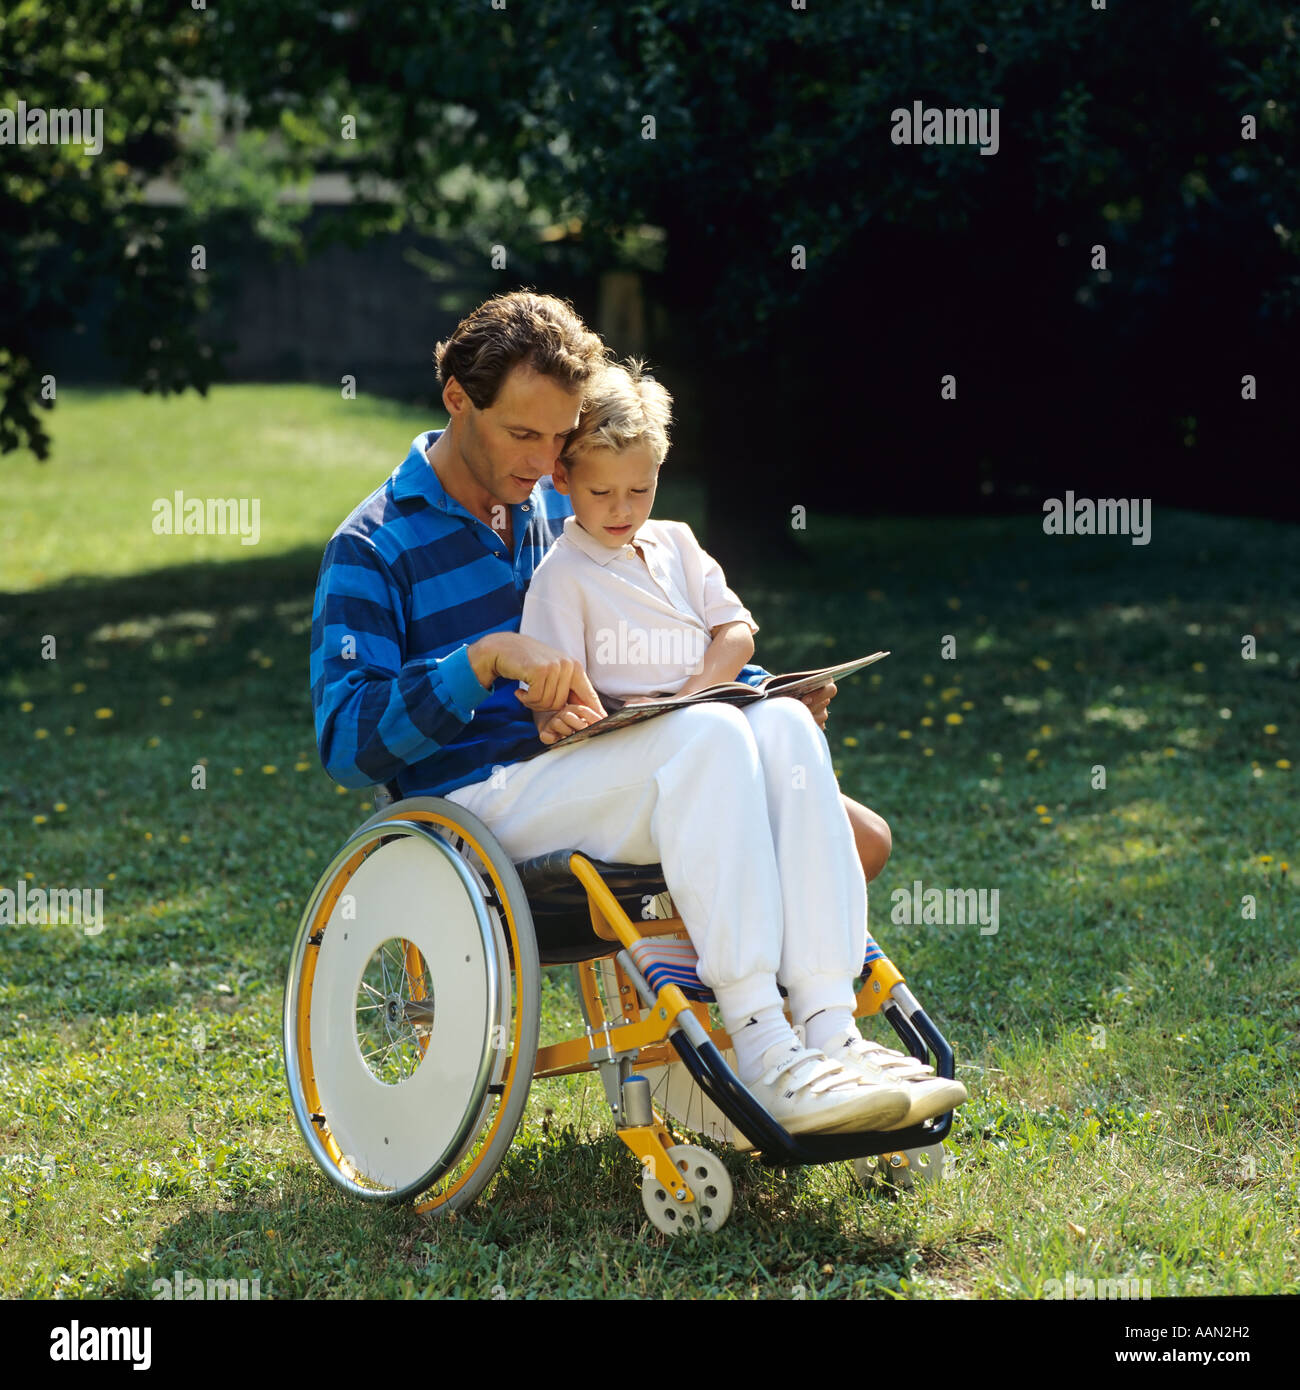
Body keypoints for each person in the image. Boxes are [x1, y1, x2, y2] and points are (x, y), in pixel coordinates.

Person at [311, 291, 962, 1135]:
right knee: (708, 742)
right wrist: (480, 662)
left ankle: (832, 1035)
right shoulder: (372, 546)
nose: (549, 461)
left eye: (560, 436)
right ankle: (764, 1046)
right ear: (457, 400)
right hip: (479, 802)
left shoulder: (568, 501)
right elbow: (346, 744)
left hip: (606, 764)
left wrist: (760, 690)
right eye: (523, 434)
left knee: (781, 731)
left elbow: (649, 649)